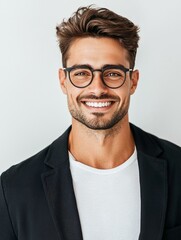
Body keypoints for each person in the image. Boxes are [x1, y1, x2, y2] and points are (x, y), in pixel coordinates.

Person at [0, 5, 181, 240]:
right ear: (64, 81)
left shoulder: (178, 169)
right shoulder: (14, 189)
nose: (97, 89)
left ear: (133, 81)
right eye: (82, 73)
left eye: (113, 73)